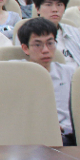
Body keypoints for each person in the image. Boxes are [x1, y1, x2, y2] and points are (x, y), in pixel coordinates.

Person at [17, 17, 76, 145]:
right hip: (29, 137)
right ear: (25, 48)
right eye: (38, 45)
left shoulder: (70, 73)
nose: (45, 50)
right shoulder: (16, 72)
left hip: (66, 136)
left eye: (50, 43)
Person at [33, 0, 80, 68]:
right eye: (49, 4)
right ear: (38, 9)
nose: (55, 10)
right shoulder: (29, 33)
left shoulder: (73, 31)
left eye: (59, 5)